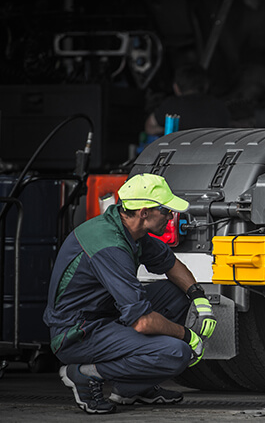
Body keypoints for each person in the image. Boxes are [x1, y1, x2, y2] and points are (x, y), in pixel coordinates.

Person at [43, 173, 217, 414]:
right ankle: (83, 374)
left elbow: (170, 264)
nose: (170, 216)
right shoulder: (109, 245)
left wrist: (199, 298)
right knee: (176, 353)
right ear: (144, 212)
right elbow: (142, 322)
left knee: (176, 294)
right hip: (78, 332)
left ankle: (132, 388)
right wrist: (188, 336)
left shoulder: (130, 230)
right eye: (165, 210)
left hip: (106, 315)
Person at [144, 63, 231, 136]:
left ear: (176, 87)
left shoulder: (171, 105)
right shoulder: (219, 106)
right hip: (213, 154)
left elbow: (149, 128)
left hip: (180, 154)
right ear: (206, 85)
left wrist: (168, 129)